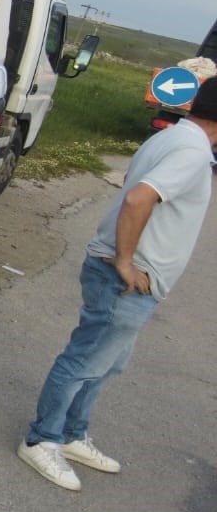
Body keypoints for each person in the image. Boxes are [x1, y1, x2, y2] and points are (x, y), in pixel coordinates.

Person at [16, 77, 217, 490]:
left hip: (129, 276)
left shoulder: (176, 137)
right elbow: (138, 198)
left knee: (108, 361)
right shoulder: (193, 153)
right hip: (124, 277)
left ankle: (72, 434)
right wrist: (125, 261)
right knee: (84, 359)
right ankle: (41, 439)